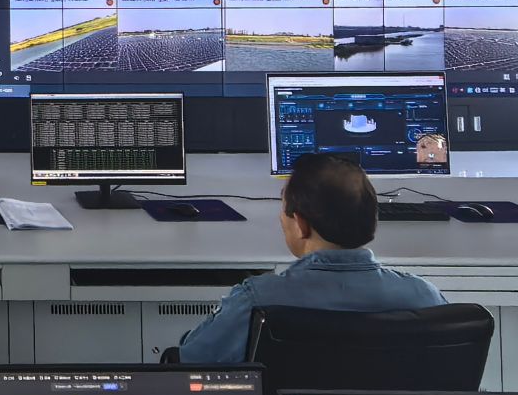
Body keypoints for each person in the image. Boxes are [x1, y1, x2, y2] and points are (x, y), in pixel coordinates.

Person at [171, 153, 446, 365]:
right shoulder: (425, 298)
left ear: (301, 224)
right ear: (372, 219)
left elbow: (188, 361)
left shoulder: (257, 300)